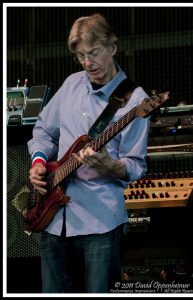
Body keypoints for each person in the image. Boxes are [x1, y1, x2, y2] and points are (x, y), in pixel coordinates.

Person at [28, 13, 150, 293]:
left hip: (100, 224)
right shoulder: (72, 84)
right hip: (53, 221)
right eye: (81, 56)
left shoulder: (136, 99)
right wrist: (38, 164)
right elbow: (44, 130)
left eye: (93, 53)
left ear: (112, 47)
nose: (87, 63)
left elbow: (135, 165)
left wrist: (109, 165)